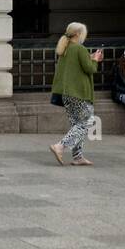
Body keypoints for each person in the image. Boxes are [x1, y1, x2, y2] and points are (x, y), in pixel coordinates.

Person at [49, 22, 103, 166]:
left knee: (76, 125)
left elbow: (78, 65)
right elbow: (90, 69)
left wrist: (89, 57)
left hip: (66, 93)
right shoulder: (79, 48)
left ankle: (78, 157)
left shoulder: (65, 48)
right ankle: (60, 146)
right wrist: (96, 60)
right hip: (78, 93)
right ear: (78, 34)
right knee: (87, 122)